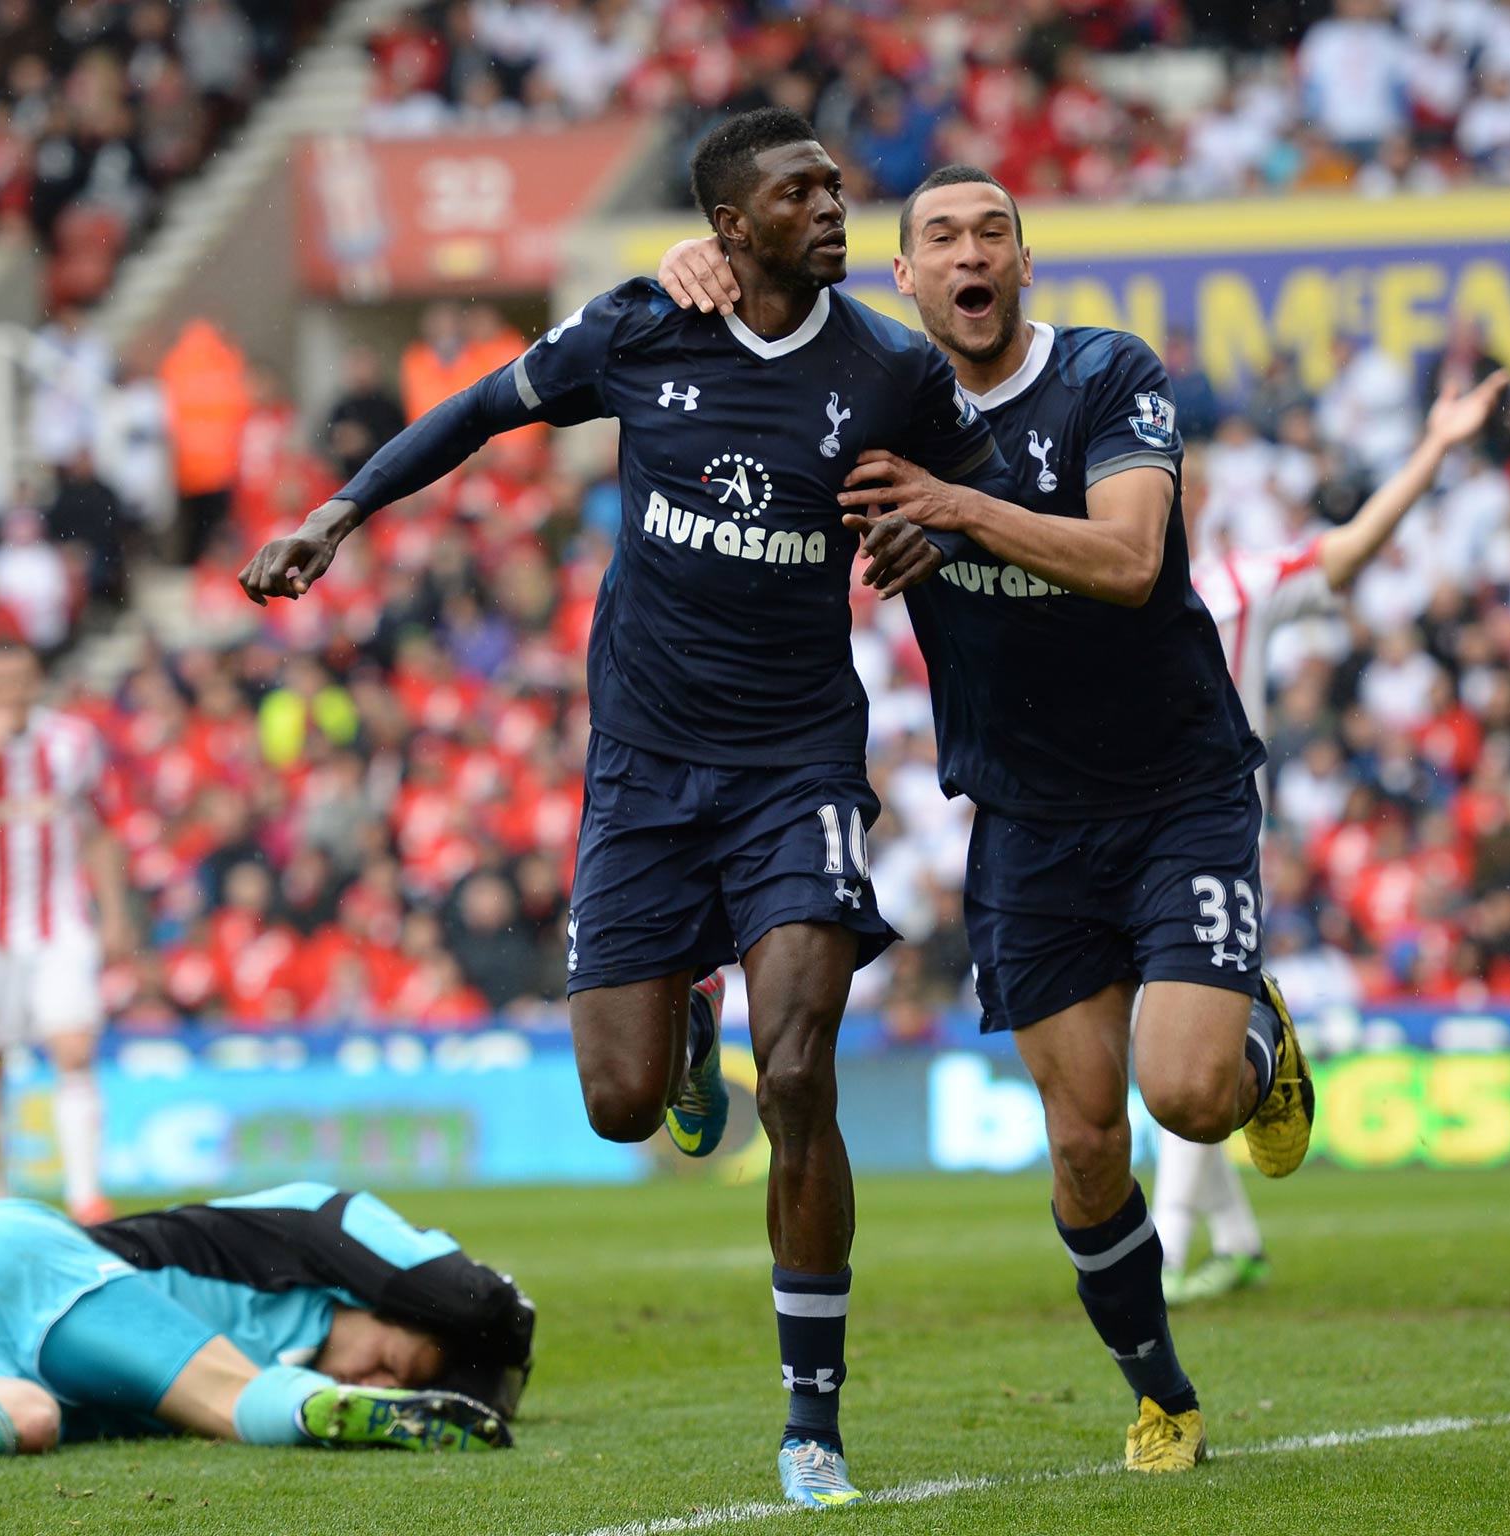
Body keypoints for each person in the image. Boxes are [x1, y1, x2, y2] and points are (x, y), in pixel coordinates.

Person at [240, 108, 1014, 1508]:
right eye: (801, 194)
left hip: (795, 769)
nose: (835, 210)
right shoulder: (642, 329)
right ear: (733, 227)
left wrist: (935, 517)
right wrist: (339, 512)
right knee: (615, 1108)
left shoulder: (886, 370)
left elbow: (979, 470)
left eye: (837, 188)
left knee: (797, 1082)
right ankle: (682, 1012)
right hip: (645, 773)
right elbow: (481, 409)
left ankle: (812, 1422)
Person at [657, 165, 1316, 1474]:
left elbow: (1131, 563)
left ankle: (1254, 1031)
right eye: (941, 237)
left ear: (1025, 262)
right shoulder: (878, 398)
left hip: (1174, 787)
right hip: (1021, 817)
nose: (972, 251)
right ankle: (1164, 1397)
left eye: (994, 231)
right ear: (902, 279)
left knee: (1184, 1098)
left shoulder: (1106, 375)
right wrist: (702, 269)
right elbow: (751, 349)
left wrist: (952, 513)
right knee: (1083, 1146)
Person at [1160, 366, 1510, 1305]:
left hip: (1204, 847)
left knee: (1176, 1044)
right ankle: (1234, 1240)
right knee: (1153, 1056)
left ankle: (1165, 1246)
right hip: (1098, 845)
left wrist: (1436, 445)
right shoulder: (1068, 598)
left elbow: (1349, 551)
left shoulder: (1237, 587)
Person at [0, 1182, 530, 1480]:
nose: (381, 1379)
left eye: (392, 1391)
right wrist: (493, 1312)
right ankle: (312, 1415)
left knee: (26, 1419)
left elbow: (34, 1411)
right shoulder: (282, 1257)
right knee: (232, 1397)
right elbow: (376, 1236)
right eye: (388, 1362)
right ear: (369, 1301)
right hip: (17, 1262)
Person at [0, 641, 134, 1224]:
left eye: (22, 679)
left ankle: (87, 1196)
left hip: (60, 920)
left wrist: (113, 914)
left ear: (37, 680)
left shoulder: (73, 741)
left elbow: (100, 829)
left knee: (74, 1047)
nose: (12, 692)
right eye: (1, 681)